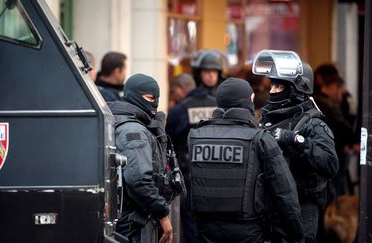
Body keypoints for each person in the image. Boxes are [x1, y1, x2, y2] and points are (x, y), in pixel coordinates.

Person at [188, 77, 304, 243]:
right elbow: (285, 193)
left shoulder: (196, 136)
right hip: (249, 232)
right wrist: (297, 235)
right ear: (249, 101)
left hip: (205, 232)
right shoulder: (261, 139)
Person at [258, 57, 339, 242]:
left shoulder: (313, 122)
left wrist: (295, 140)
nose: (272, 92)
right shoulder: (268, 118)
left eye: (278, 87)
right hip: (273, 205)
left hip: (304, 205)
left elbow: (330, 163)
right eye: (272, 86)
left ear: (295, 89)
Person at [110, 74, 177, 243]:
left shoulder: (122, 121)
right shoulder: (133, 130)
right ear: (133, 95)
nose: (154, 103)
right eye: (149, 97)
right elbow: (138, 179)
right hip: (134, 222)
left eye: (157, 98)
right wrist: (162, 213)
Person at [165, 51, 221, 243]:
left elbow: (167, 139)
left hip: (203, 172)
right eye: (207, 71)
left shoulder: (183, 108)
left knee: (195, 222)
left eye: (215, 71)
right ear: (199, 74)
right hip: (197, 171)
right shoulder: (221, 106)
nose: (211, 75)